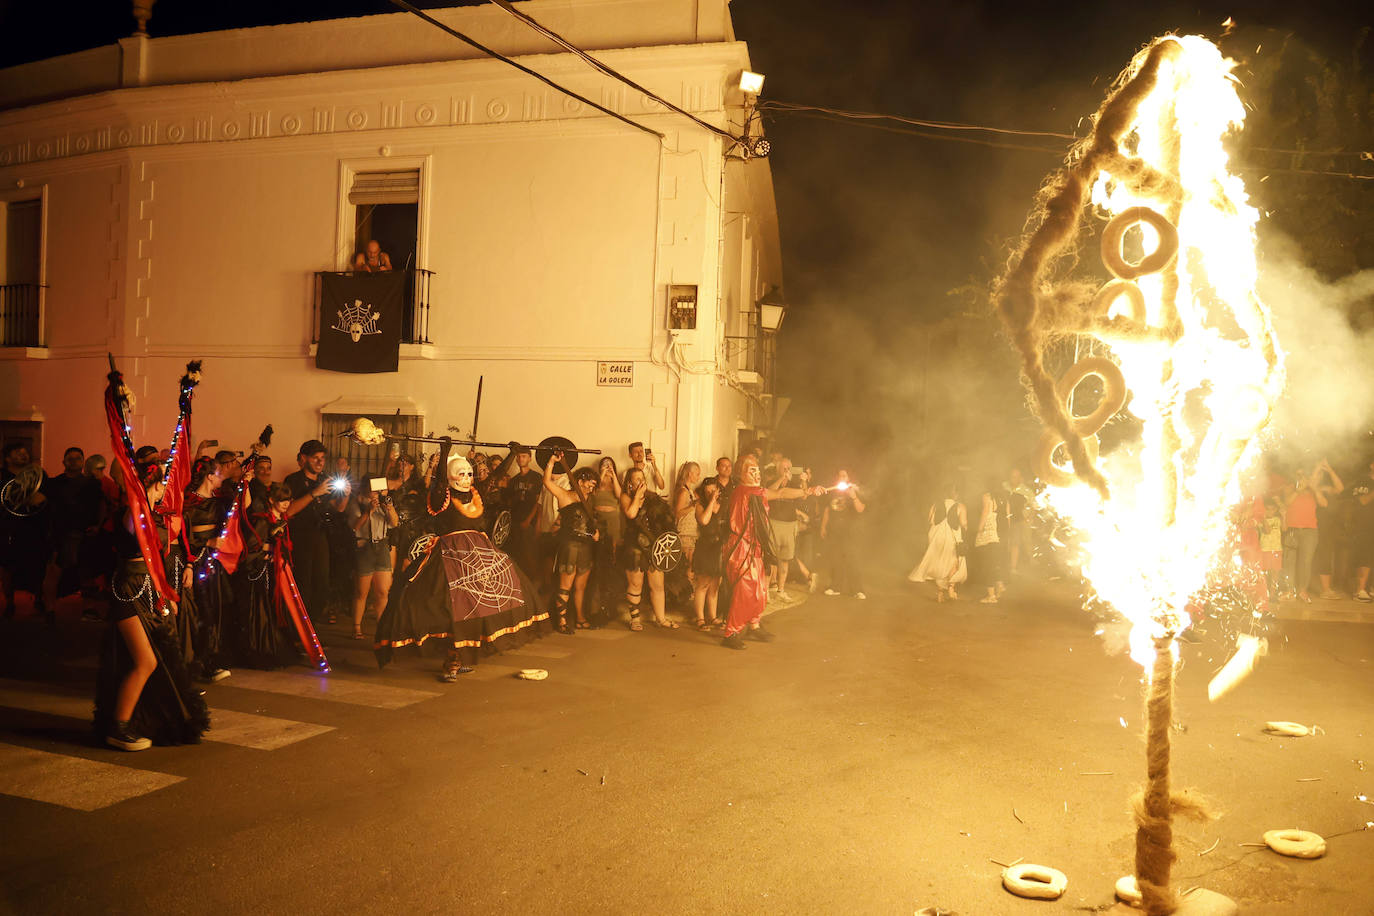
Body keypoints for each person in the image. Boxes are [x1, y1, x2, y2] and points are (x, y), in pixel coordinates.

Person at [374, 439, 547, 682]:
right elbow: (440, 481)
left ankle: (460, 655)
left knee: (482, 607)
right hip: (449, 558)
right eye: (461, 474)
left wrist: (511, 454)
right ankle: (451, 659)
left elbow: (494, 478)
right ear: (450, 477)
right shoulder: (440, 497)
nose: (467, 478)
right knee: (449, 607)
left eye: (469, 474)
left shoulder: (477, 494)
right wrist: (445, 451)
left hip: (481, 557)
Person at [719, 454, 815, 650]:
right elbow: (780, 494)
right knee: (744, 590)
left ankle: (754, 625)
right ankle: (731, 632)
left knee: (759, 589)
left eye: (757, 470)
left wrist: (807, 490)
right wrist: (807, 491)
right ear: (741, 474)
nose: (756, 474)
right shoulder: (746, 491)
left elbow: (775, 492)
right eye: (751, 471)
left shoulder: (753, 490)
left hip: (753, 546)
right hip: (740, 548)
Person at [233, 481, 298, 669]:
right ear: (272, 500)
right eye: (282, 500)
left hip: (275, 571)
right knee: (262, 612)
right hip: (260, 572)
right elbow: (252, 545)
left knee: (274, 610)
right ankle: (261, 651)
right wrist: (267, 551)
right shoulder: (263, 520)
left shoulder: (281, 519)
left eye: (288, 500)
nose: (286, 504)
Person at [283, 440, 349, 623]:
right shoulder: (293, 480)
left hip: (321, 535)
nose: (320, 462)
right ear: (304, 459)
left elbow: (339, 508)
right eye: (316, 458)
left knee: (322, 584)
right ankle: (297, 631)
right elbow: (288, 511)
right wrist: (314, 493)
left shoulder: (324, 479)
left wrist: (346, 494)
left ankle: (312, 629)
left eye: (322, 459)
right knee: (303, 584)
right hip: (300, 537)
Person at [179, 456, 232, 682]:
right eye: (218, 473)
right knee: (203, 613)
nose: (221, 477)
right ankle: (202, 664)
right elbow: (183, 537)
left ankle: (212, 658)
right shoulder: (190, 503)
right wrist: (207, 543)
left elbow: (241, 507)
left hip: (213, 565)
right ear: (209, 476)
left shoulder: (220, 501)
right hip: (196, 563)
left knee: (216, 610)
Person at [543, 449, 601, 632]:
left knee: (581, 586)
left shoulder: (590, 499)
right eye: (588, 485)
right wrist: (552, 462)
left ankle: (580, 618)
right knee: (565, 586)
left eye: (593, 486)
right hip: (569, 547)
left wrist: (595, 533)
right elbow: (546, 482)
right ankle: (561, 621)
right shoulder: (564, 496)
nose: (590, 489)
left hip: (586, 547)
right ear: (580, 481)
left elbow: (589, 523)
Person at [0, 442, 53, 623]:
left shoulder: (38, 475)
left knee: (38, 565)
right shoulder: (2, 477)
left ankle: (38, 599)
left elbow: (47, 498)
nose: (23, 455)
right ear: (7, 458)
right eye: (18, 452)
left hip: (34, 528)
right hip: (8, 528)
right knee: (7, 567)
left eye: (25, 452)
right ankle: (9, 602)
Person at [619, 466, 677, 630]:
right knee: (635, 584)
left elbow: (666, 521)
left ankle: (661, 618)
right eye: (636, 479)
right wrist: (637, 495)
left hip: (654, 546)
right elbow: (631, 513)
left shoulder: (654, 499)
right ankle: (635, 619)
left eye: (642, 478)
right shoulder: (626, 497)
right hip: (634, 546)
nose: (640, 482)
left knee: (657, 585)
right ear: (629, 483)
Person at [349, 478, 398, 640]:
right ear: (367, 490)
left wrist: (389, 509)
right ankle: (356, 627)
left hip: (382, 547)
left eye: (382, 490)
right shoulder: (358, 503)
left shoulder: (385, 504)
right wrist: (368, 511)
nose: (379, 493)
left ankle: (382, 626)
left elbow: (395, 523)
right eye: (376, 490)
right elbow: (355, 527)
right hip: (365, 548)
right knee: (361, 591)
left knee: (383, 591)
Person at [908, 483, 967, 602]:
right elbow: (964, 523)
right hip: (951, 537)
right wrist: (965, 530)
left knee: (939, 563)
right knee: (954, 562)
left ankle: (940, 593)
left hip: (936, 537)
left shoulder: (936, 505)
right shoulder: (960, 506)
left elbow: (930, 520)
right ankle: (951, 587)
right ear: (956, 494)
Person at [820, 470, 866, 599]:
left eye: (844, 475)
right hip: (835, 533)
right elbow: (827, 510)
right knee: (836, 560)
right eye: (840, 475)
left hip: (850, 534)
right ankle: (835, 587)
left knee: (853, 561)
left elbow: (861, 509)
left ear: (848, 478)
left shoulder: (854, 491)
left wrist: (854, 497)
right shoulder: (833, 492)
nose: (842, 477)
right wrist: (823, 527)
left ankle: (857, 590)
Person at [589, 457, 623, 626]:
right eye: (604, 465)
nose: (607, 467)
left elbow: (619, 495)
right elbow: (593, 493)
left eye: (610, 465)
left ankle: (610, 600)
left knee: (612, 557)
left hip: (613, 523)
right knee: (598, 558)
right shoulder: (596, 482)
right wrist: (601, 476)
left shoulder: (616, 482)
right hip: (598, 522)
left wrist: (613, 476)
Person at [1281, 464, 1320, 603]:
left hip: (1310, 531)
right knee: (1288, 561)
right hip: (1292, 529)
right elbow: (1286, 503)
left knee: (1306, 562)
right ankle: (1289, 590)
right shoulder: (1290, 488)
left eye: (1303, 475)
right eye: (1298, 475)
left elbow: (1323, 502)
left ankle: (1302, 591)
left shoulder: (1313, 491)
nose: (1301, 478)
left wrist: (1312, 487)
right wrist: (1298, 490)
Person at [691, 477, 726, 629]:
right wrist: (711, 502)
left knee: (715, 585)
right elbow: (704, 521)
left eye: (714, 490)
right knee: (703, 583)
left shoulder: (724, 504)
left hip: (720, 546)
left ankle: (712, 616)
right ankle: (700, 618)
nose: (711, 493)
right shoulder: (700, 505)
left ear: (718, 489)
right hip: (706, 546)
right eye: (708, 492)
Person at [1309, 458, 1344, 599]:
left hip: (1326, 527)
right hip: (1312, 527)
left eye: (1320, 475)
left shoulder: (1323, 488)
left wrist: (1329, 469)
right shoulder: (1308, 488)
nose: (1318, 477)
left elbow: (1340, 488)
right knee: (1313, 557)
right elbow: (1322, 503)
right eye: (1316, 474)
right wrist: (1317, 468)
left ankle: (1326, 589)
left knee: (1325, 556)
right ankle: (1322, 589)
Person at [506, 446, 543, 577]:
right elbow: (509, 503)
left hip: (529, 522)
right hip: (515, 521)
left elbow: (539, 503)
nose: (520, 459)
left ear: (529, 458)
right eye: (519, 456)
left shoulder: (536, 477)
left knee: (530, 552)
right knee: (517, 552)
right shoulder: (514, 480)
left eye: (524, 456)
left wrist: (530, 520)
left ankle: (534, 581)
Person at [767, 457, 801, 595]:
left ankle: (781, 590)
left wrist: (804, 481)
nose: (786, 471)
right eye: (784, 468)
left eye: (788, 468)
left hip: (790, 524)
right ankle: (766, 591)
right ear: (778, 469)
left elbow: (803, 496)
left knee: (785, 558)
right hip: (774, 523)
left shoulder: (795, 484)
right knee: (770, 558)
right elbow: (769, 492)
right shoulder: (771, 481)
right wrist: (781, 479)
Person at [969, 479, 1005, 604]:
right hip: (994, 533)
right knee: (993, 563)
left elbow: (985, 512)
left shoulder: (986, 496)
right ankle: (999, 585)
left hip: (986, 534)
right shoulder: (996, 498)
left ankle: (991, 596)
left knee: (987, 565)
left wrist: (979, 529)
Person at [1350, 457, 1374, 602]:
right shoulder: (1362, 481)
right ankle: (1359, 591)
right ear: (1372, 465)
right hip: (1364, 525)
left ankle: (1370, 589)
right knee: (1364, 557)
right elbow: (1362, 501)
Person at [672, 461, 702, 571]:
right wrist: (693, 506)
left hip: (690, 534)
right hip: (684, 535)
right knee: (686, 569)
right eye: (697, 473)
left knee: (689, 567)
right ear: (690, 474)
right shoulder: (684, 492)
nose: (699, 477)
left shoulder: (690, 491)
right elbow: (677, 513)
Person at [1004, 467, 1034, 574]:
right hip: (1005, 520)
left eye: (1016, 477)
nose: (1013, 479)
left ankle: (1030, 561)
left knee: (1024, 541)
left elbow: (1033, 506)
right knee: (1009, 542)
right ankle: (1011, 565)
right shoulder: (1004, 487)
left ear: (1020, 478)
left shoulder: (1026, 491)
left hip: (1020, 520)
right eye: (1012, 476)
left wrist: (1029, 518)